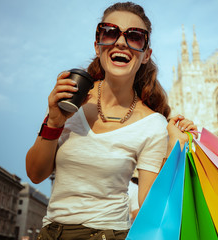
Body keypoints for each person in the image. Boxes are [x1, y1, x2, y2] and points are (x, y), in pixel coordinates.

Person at [26, 2, 197, 240]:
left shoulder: (153, 124)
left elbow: (151, 210)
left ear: (146, 55)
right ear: (98, 46)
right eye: (110, 32)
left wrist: (173, 147)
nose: (120, 42)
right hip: (50, 233)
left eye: (135, 37)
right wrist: (54, 122)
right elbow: (35, 173)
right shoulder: (72, 98)